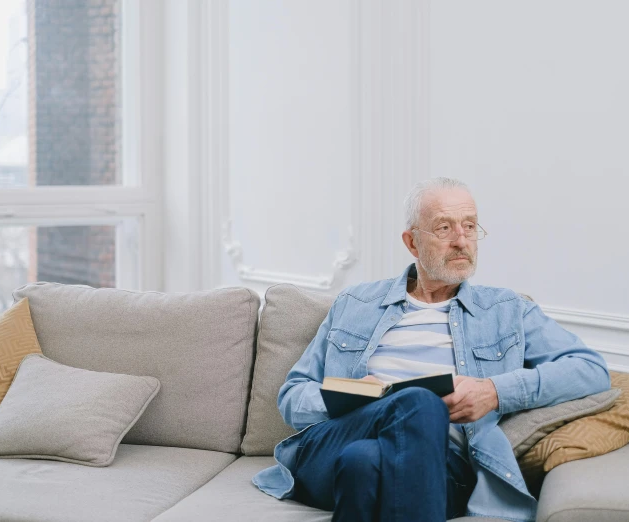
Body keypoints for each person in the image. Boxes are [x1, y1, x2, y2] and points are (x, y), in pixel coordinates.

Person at [252, 177, 610, 522]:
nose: (461, 240)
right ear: (412, 243)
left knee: (364, 462)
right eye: (444, 228)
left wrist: (494, 391)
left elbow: (590, 370)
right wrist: (363, 395)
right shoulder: (355, 303)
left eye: (469, 226)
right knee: (418, 403)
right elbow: (293, 398)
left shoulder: (506, 310)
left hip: (442, 461)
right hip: (335, 442)